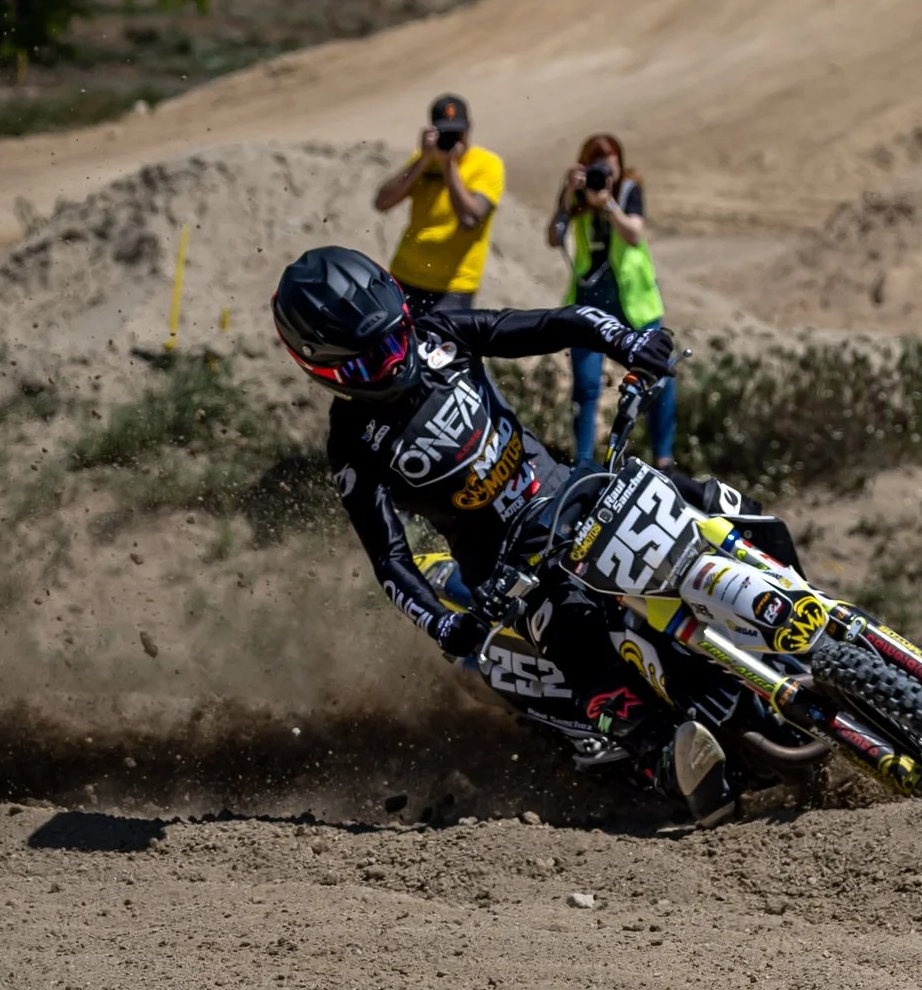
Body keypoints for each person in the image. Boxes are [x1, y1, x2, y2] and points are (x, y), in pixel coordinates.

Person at [269, 245, 747, 817]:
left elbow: (557, 322)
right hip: (513, 572)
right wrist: (442, 623)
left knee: (712, 502)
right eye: (367, 363)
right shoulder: (352, 445)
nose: (394, 364)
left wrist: (628, 342)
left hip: (579, 494)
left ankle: (821, 627)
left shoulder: (441, 332)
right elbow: (390, 558)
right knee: (576, 647)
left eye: (396, 340)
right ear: (323, 370)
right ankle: (668, 760)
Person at [546, 133, 674, 468]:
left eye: (609, 165)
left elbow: (633, 234)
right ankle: (585, 462)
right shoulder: (577, 195)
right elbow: (552, 238)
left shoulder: (628, 190)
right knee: (586, 386)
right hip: (590, 298)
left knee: (657, 379)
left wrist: (608, 203)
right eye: (596, 167)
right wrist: (567, 199)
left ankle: (663, 458)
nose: (603, 173)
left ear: (619, 163)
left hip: (634, 300)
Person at [373, 93, 506, 316]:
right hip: (405, 275)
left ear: (469, 128)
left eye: (458, 132)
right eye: (446, 132)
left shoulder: (487, 164)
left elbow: (470, 218)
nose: (454, 139)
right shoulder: (423, 159)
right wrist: (423, 160)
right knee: (397, 349)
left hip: (454, 287)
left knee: (441, 351)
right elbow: (382, 202)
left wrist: (448, 167)